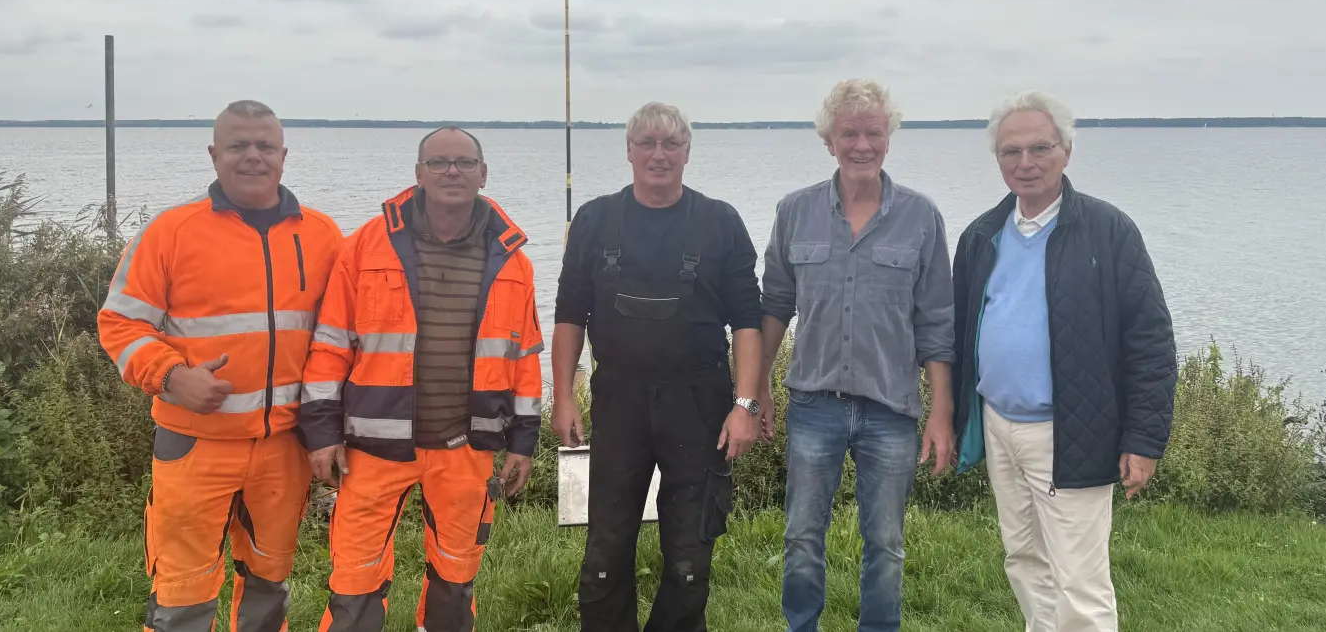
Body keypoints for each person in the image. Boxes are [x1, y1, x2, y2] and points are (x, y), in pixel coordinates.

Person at [98, 99, 343, 632]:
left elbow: (344, 336)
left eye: (265, 146)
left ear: (283, 155)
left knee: (268, 582)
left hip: (284, 446)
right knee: (183, 590)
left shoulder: (323, 235)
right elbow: (119, 324)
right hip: (194, 442)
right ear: (214, 155)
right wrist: (171, 377)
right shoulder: (171, 232)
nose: (252, 157)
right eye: (238, 146)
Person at [298, 127, 543, 632]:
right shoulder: (367, 244)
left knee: (455, 577)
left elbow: (523, 360)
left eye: (463, 162)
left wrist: (523, 442)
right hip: (372, 447)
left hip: (465, 449)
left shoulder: (513, 257)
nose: (451, 171)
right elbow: (330, 344)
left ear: (483, 172)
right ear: (417, 174)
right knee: (354, 577)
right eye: (438, 163)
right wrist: (321, 433)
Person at [950, 90, 1176, 632]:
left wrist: (1143, 440)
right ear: (998, 160)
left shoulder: (1108, 231)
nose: (1025, 163)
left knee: (1080, 579)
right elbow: (960, 336)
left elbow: (1150, 341)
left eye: (1040, 148)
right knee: (1025, 563)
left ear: (1067, 151)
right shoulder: (982, 235)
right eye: (1011, 152)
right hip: (1001, 426)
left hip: (1071, 431)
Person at [551, 102, 765, 632]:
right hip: (618, 401)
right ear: (628, 151)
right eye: (646, 143)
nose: (659, 154)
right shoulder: (596, 219)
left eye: (671, 144)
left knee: (691, 554)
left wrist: (746, 404)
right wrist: (562, 396)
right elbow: (569, 313)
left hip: (699, 403)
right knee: (606, 548)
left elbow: (747, 321)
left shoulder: (720, 222)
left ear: (688, 152)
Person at [758, 78, 956, 632]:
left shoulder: (922, 217)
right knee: (800, 537)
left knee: (886, 545)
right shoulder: (794, 212)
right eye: (849, 133)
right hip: (813, 405)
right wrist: (755, 392)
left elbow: (938, 322)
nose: (861, 144)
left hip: (891, 409)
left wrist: (941, 412)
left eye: (873, 132)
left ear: (888, 139)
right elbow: (774, 307)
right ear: (829, 141)